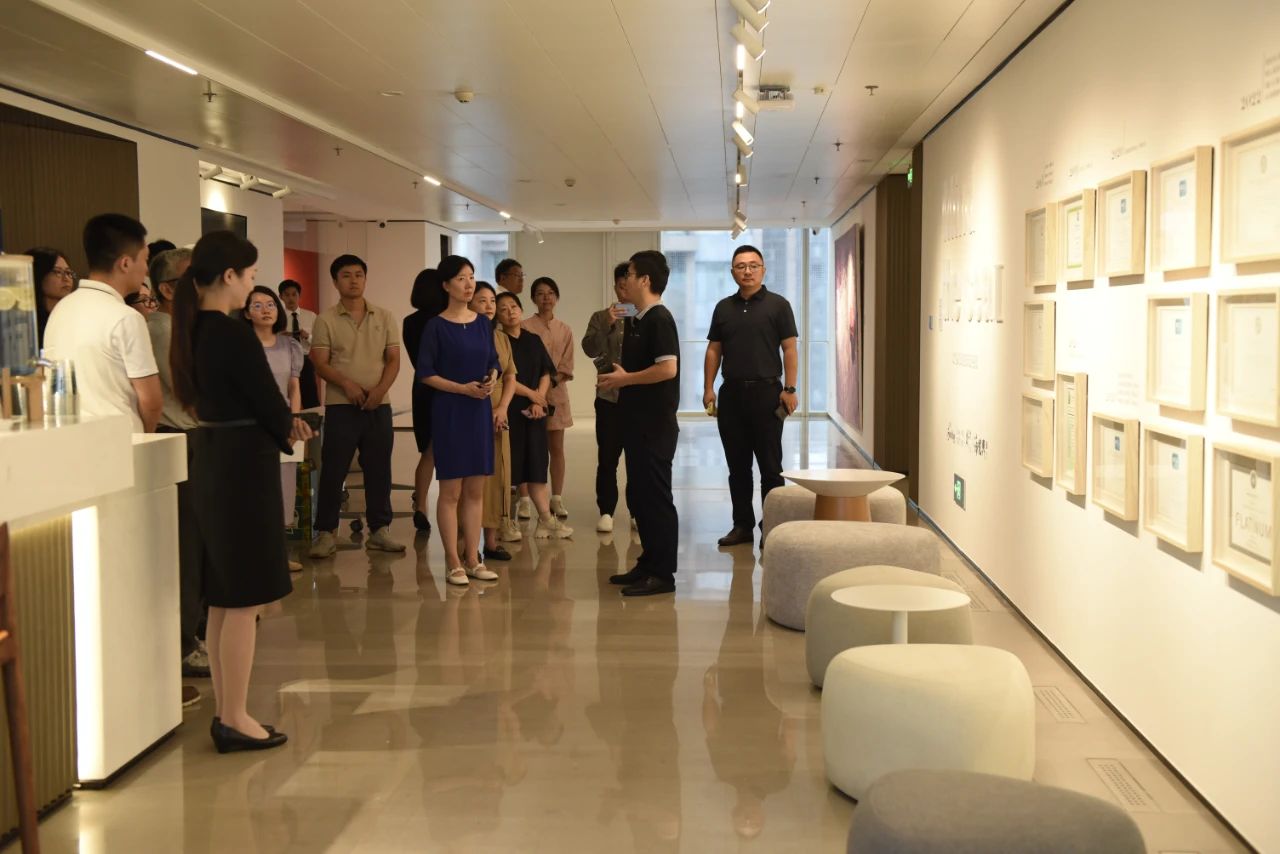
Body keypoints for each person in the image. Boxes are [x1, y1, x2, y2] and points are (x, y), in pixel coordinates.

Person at [169, 229, 314, 752]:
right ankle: (234, 716)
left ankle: (229, 712)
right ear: (228, 275)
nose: (253, 284)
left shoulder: (196, 330)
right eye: (250, 274)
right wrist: (289, 428)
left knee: (224, 599)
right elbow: (267, 399)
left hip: (217, 461)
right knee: (243, 600)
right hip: (242, 469)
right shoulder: (230, 334)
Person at [308, 254, 405, 557]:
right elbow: (320, 362)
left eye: (359, 274)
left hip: (379, 405)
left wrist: (380, 390)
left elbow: (393, 360)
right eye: (346, 275)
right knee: (333, 469)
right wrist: (347, 384)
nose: (353, 280)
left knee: (379, 469)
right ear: (335, 281)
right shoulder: (325, 319)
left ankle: (380, 530)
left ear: (365, 278)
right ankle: (326, 533)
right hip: (341, 406)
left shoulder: (384, 316)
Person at [702, 245, 798, 548]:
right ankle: (742, 525)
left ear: (763, 270)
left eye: (753, 265)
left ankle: (772, 525)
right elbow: (714, 350)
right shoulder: (723, 308)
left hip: (767, 393)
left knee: (771, 467)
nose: (747, 271)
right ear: (732, 271)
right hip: (731, 394)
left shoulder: (779, 305)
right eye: (741, 266)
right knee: (738, 467)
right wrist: (708, 388)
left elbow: (790, 349)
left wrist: (790, 389)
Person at [416, 256, 501, 586]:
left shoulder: (482, 323)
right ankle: (453, 560)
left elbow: (493, 361)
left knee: (476, 490)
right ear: (446, 285)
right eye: (461, 278)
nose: (469, 284)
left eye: (471, 277)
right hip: (450, 410)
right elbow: (426, 373)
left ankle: (473, 558)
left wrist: (492, 378)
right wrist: (461, 389)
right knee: (451, 491)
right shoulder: (435, 326)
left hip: (479, 409)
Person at [598, 251, 680, 597]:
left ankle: (663, 574)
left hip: (654, 426)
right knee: (641, 498)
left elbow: (668, 368)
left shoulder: (659, 318)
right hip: (636, 423)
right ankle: (648, 563)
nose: (625, 281)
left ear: (645, 280)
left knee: (656, 499)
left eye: (630, 274)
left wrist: (626, 379)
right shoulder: (638, 318)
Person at [146, 246, 210, 681]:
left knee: (201, 544)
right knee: (187, 546)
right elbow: (192, 391)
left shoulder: (186, 327)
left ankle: (197, 629)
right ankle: (185, 642)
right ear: (169, 289)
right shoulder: (160, 329)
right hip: (182, 438)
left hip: (197, 438)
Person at [43, 213, 162, 432]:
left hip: (67, 436)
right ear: (125, 263)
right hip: (120, 439)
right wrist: (143, 436)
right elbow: (151, 401)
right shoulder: (126, 317)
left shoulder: (61, 309)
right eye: (145, 259)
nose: (146, 269)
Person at [497, 292, 572, 540]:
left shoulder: (533, 339)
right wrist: (533, 395)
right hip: (509, 409)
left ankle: (546, 520)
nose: (510, 311)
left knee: (538, 464)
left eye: (513, 306)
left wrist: (539, 399)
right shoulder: (498, 341)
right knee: (511, 467)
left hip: (536, 411)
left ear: (521, 309)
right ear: (497, 316)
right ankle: (505, 521)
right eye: (503, 309)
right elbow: (505, 378)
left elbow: (545, 371)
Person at [243, 285, 305, 571]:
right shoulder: (242, 347)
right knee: (254, 489)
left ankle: (278, 554)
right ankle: (253, 554)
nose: (265, 310)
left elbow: (294, 388)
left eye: (270, 304)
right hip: (250, 426)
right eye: (257, 305)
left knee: (283, 487)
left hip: (282, 426)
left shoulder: (289, 346)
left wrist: (294, 421)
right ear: (246, 313)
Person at [469, 281, 517, 562]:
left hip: (499, 412)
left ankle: (491, 540)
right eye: (482, 300)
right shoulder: (464, 333)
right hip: (473, 408)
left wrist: (503, 408)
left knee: (499, 475)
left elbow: (510, 376)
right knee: (475, 479)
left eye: (491, 301)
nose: (489, 306)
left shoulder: (501, 337)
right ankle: (468, 544)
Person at [520, 277, 575, 520]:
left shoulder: (565, 329)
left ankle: (556, 498)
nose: (546, 297)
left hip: (556, 395)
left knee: (557, 449)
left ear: (557, 297)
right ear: (533, 298)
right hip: (528, 394)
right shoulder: (523, 326)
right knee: (527, 448)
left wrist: (548, 384)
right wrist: (535, 391)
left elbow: (566, 366)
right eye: (541, 293)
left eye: (551, 293)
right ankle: (524, 499)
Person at [582, 263, 631, 533]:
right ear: (615, 287)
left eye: (629, 285)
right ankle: (606, 511)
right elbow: (589, 349)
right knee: (608, 457)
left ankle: (637, 511)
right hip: (608, 397)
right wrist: (607, 325)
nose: (625, 292)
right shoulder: (600, 317)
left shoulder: (646, 317)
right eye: (621, 286)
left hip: (636, 398)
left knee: (637, 459)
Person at [402, 268, 448, 535]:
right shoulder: (445, 319)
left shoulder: (410, 322)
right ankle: (451, 505)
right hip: (449, 388)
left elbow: (417, 361)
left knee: (428, 452)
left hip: (422, 388)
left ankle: (420, 505)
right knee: (451, 450)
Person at [278, 279, 320, 409]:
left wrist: (308, 336)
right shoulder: (277, 317)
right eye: (287, 295)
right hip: (283, 362)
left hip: (305, 361)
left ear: (299, 295)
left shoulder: (311, 316)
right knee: (285, 399)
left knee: (311, 400)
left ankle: (314, 422)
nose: (291, 298)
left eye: (294, 294)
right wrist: (280, 337)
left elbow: (319, 342)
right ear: (281, 297)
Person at [25, 246, 75, 348]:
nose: (66, 278)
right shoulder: (28, 322)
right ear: (38, 274)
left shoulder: (74, 315)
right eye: (57, 272)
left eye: (68, 272)